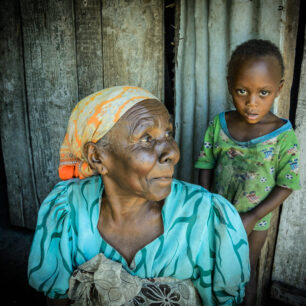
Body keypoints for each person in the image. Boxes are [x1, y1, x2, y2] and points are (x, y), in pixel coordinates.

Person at [28, 86, 250, 306]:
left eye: (169, 134)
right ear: (97, 158)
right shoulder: (69, 209)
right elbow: (57, 299)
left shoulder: (203, 217)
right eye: (146, 138)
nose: (172, 152)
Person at [195, 39, 300, 305]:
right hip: (216, 215)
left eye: (263, 93)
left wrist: (253, 216)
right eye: (242, 91)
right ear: (230, 84)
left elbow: (286, 184)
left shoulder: (283, 136)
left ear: (279, 89)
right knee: (209, 269)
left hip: (254, 223)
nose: (251, 103)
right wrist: (208, 204)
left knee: (244, 275)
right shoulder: (219, 124)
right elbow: (206, 164)